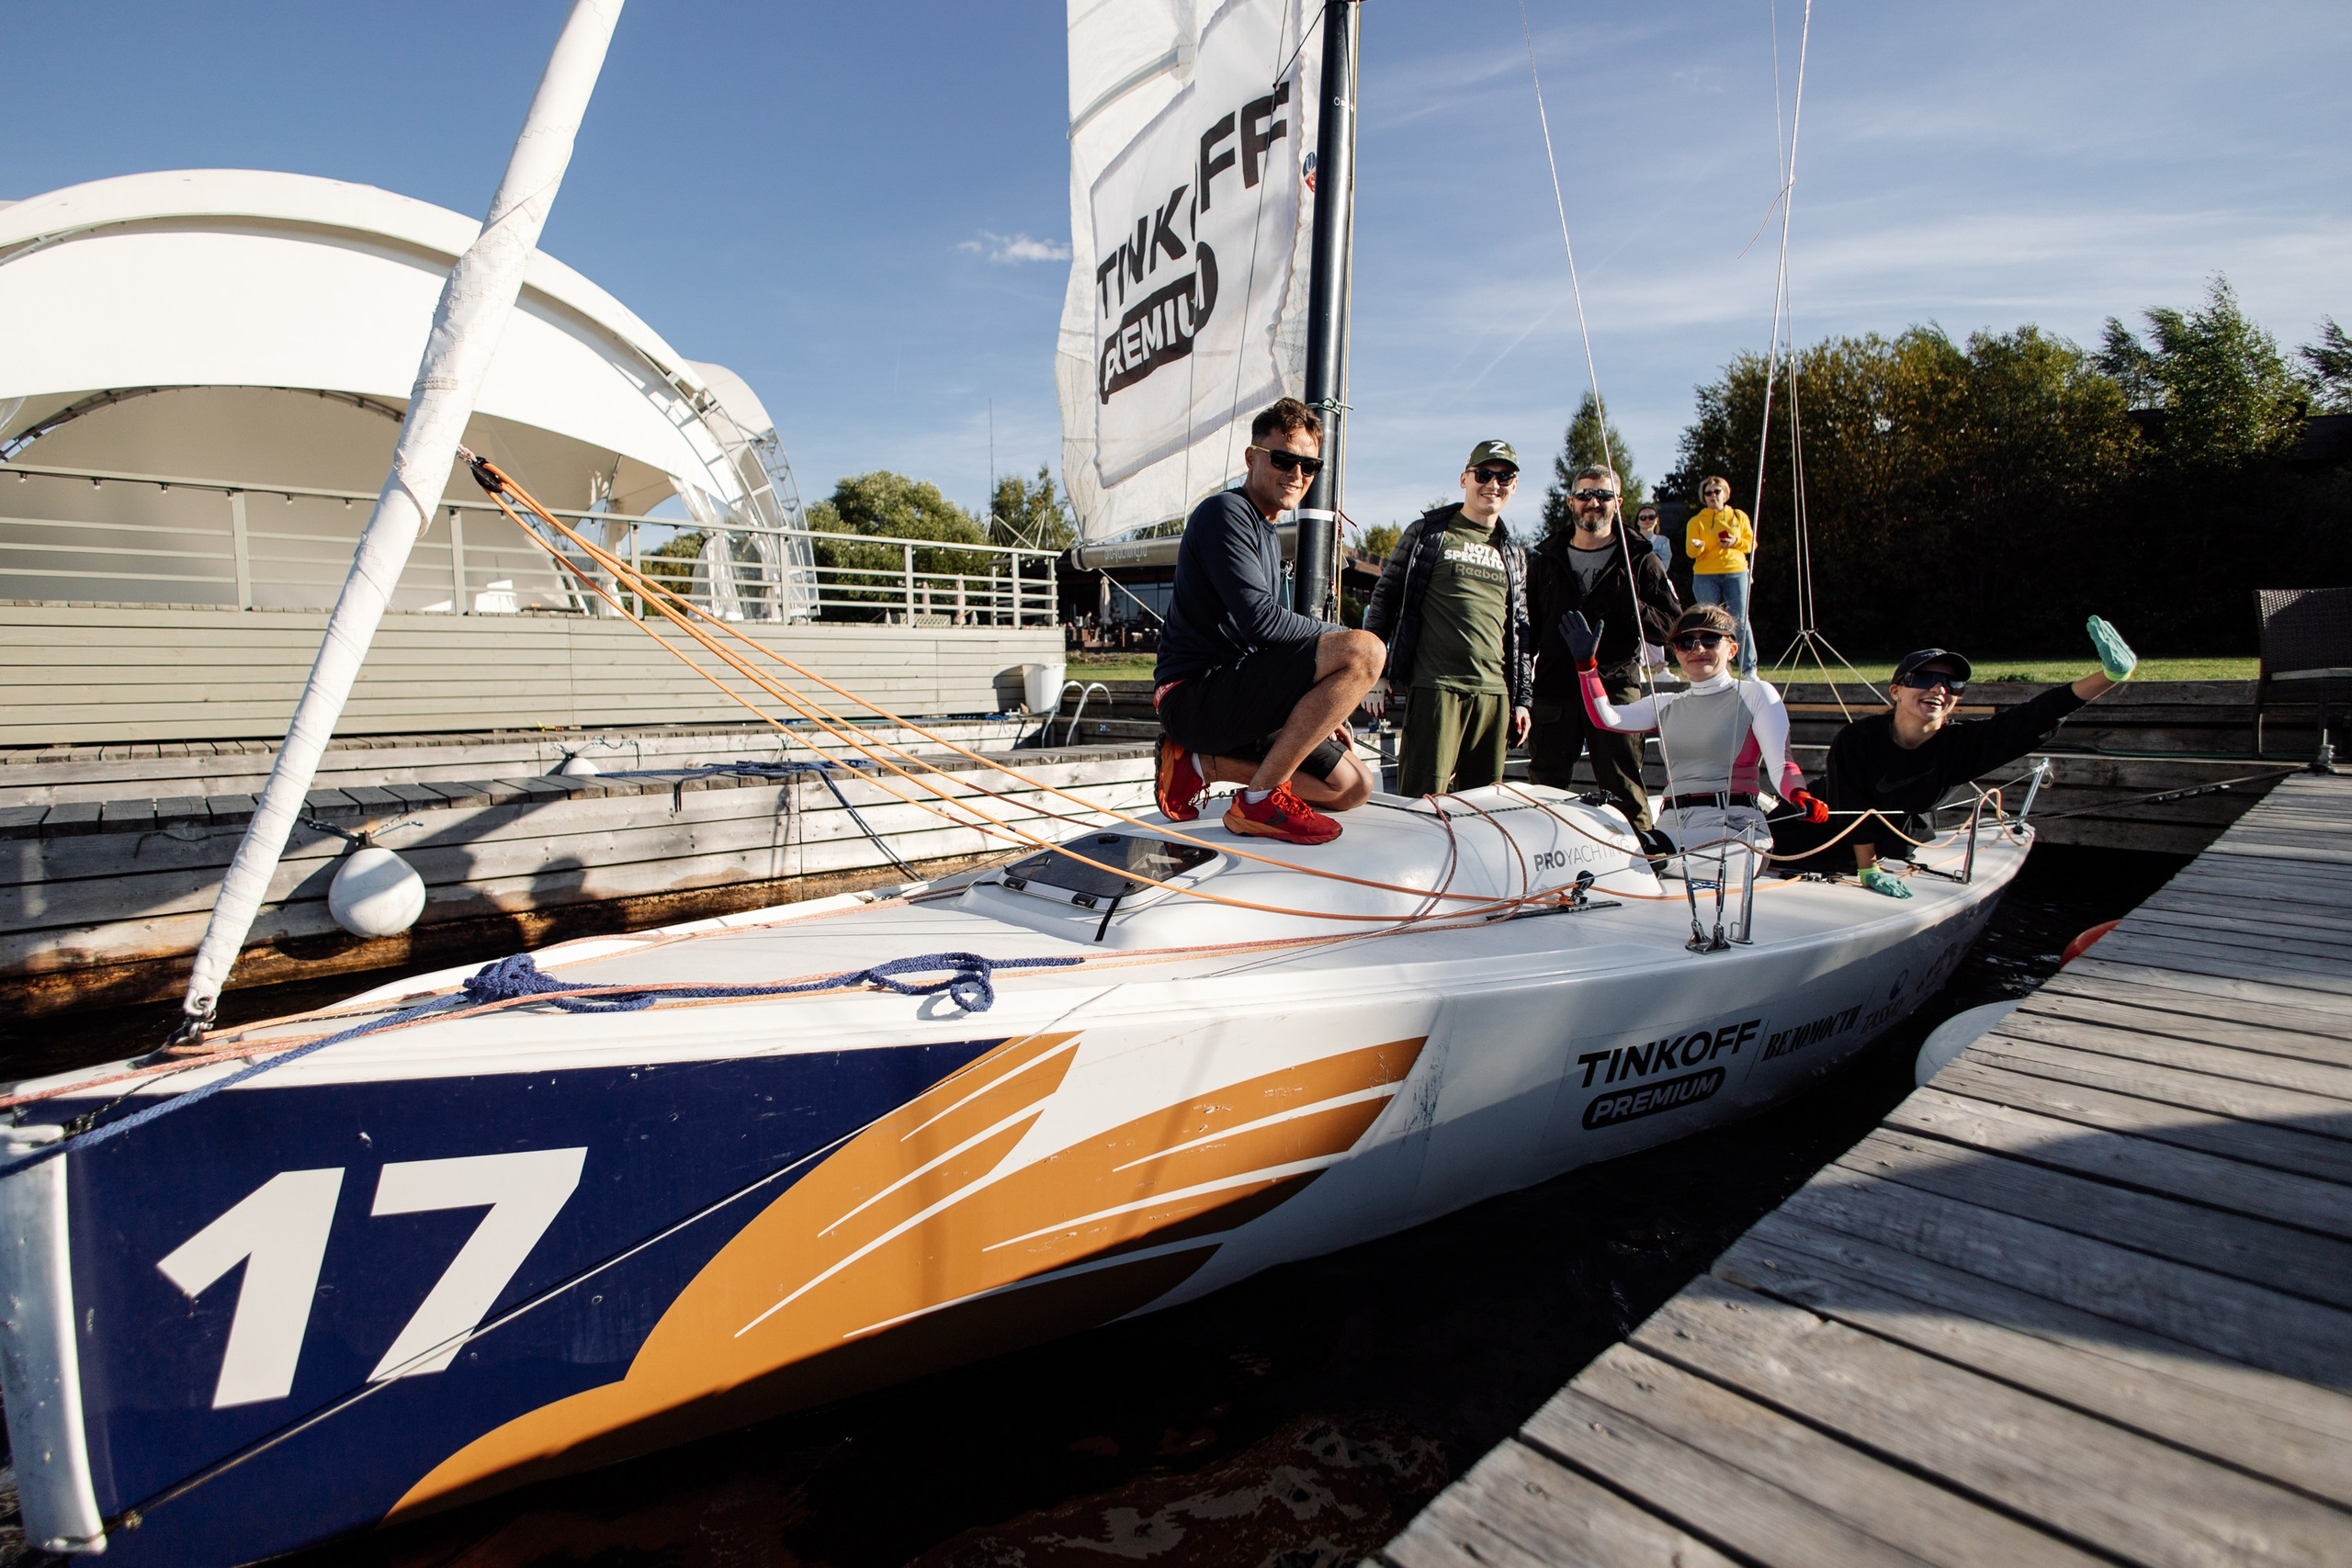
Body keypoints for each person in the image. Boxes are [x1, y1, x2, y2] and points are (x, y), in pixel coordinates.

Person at [1152, 398, 1385, 845]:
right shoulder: (1225, 514)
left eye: (1309, 464)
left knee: (1353, 787)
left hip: (1237, 694)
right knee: (1365, 649)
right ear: (1251, 458)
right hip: (1193, 696)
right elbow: (1261, 622)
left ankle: (1200, 765)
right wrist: (1344, 644)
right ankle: (1258, 803)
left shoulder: (1267, 532)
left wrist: (1325, 702)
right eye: (1283, 459)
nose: (1297, 474)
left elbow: (1266, 639)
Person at [1817, 617, 2139, 897]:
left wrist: (2109, 677)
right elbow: (1850, 806)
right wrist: (1868, 869)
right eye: (1925, 679)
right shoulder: (1857, 739)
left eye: (1952, 683)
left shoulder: (1960, 746)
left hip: (1894, 842)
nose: (1940, 689)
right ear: (1896, 691)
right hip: (1824, 825)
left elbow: (2032, 719)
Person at [1561, 604, 1827, 855]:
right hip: (1670, 829)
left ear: (1732, 649)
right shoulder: (1666, 704)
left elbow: (1783, 765)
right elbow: (1607, 718)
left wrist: (1799, 794)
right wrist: (1587, 667)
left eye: (1710, 639)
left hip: (1735, 831)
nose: (1697, 649)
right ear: (1676, 652)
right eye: (1685, 642)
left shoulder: (1755, 694)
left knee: (1640, 848)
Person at [1363, 440, 1534, 796]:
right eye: (1484, 474)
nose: (1493, 485)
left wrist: (1522, 699)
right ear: (1464, 479)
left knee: (1483, 807)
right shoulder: (1428, 533)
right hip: (1435, 687)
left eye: (1504, 478)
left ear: (1514, 486)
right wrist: (1375, 673)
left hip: (1494, 694)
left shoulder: (1514, 552)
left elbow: (1520, 627)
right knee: (1423, 801)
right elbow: (1385, 600)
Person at [1527, 465, 1679, 829]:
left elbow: (1672, 628)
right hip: (1554, 688)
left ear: (1618, 503)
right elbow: (1525, 628)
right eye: (1584, 495)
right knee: (1544, 791)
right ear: (1571, 502)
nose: (1593, 503)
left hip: (1614, 687)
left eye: (1603, 495)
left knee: (1623, 786)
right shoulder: (1544, 559)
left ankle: (1643, 864)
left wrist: (1633, 605)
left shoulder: (1641, 558)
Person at [1685, 476, 1757, 677]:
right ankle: (1716, 669)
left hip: (1736, 571)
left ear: (1725, 493)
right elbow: (1690, 552)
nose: (1712, 496)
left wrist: (1735, 541)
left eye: (1716, 491)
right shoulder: (1696, 521)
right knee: (1709, 622)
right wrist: (1699, 546)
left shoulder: (1738, 516)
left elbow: (1752, 544)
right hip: (1705, 574)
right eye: (1708, 493)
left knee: (1741, 620)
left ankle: (1749, 669)